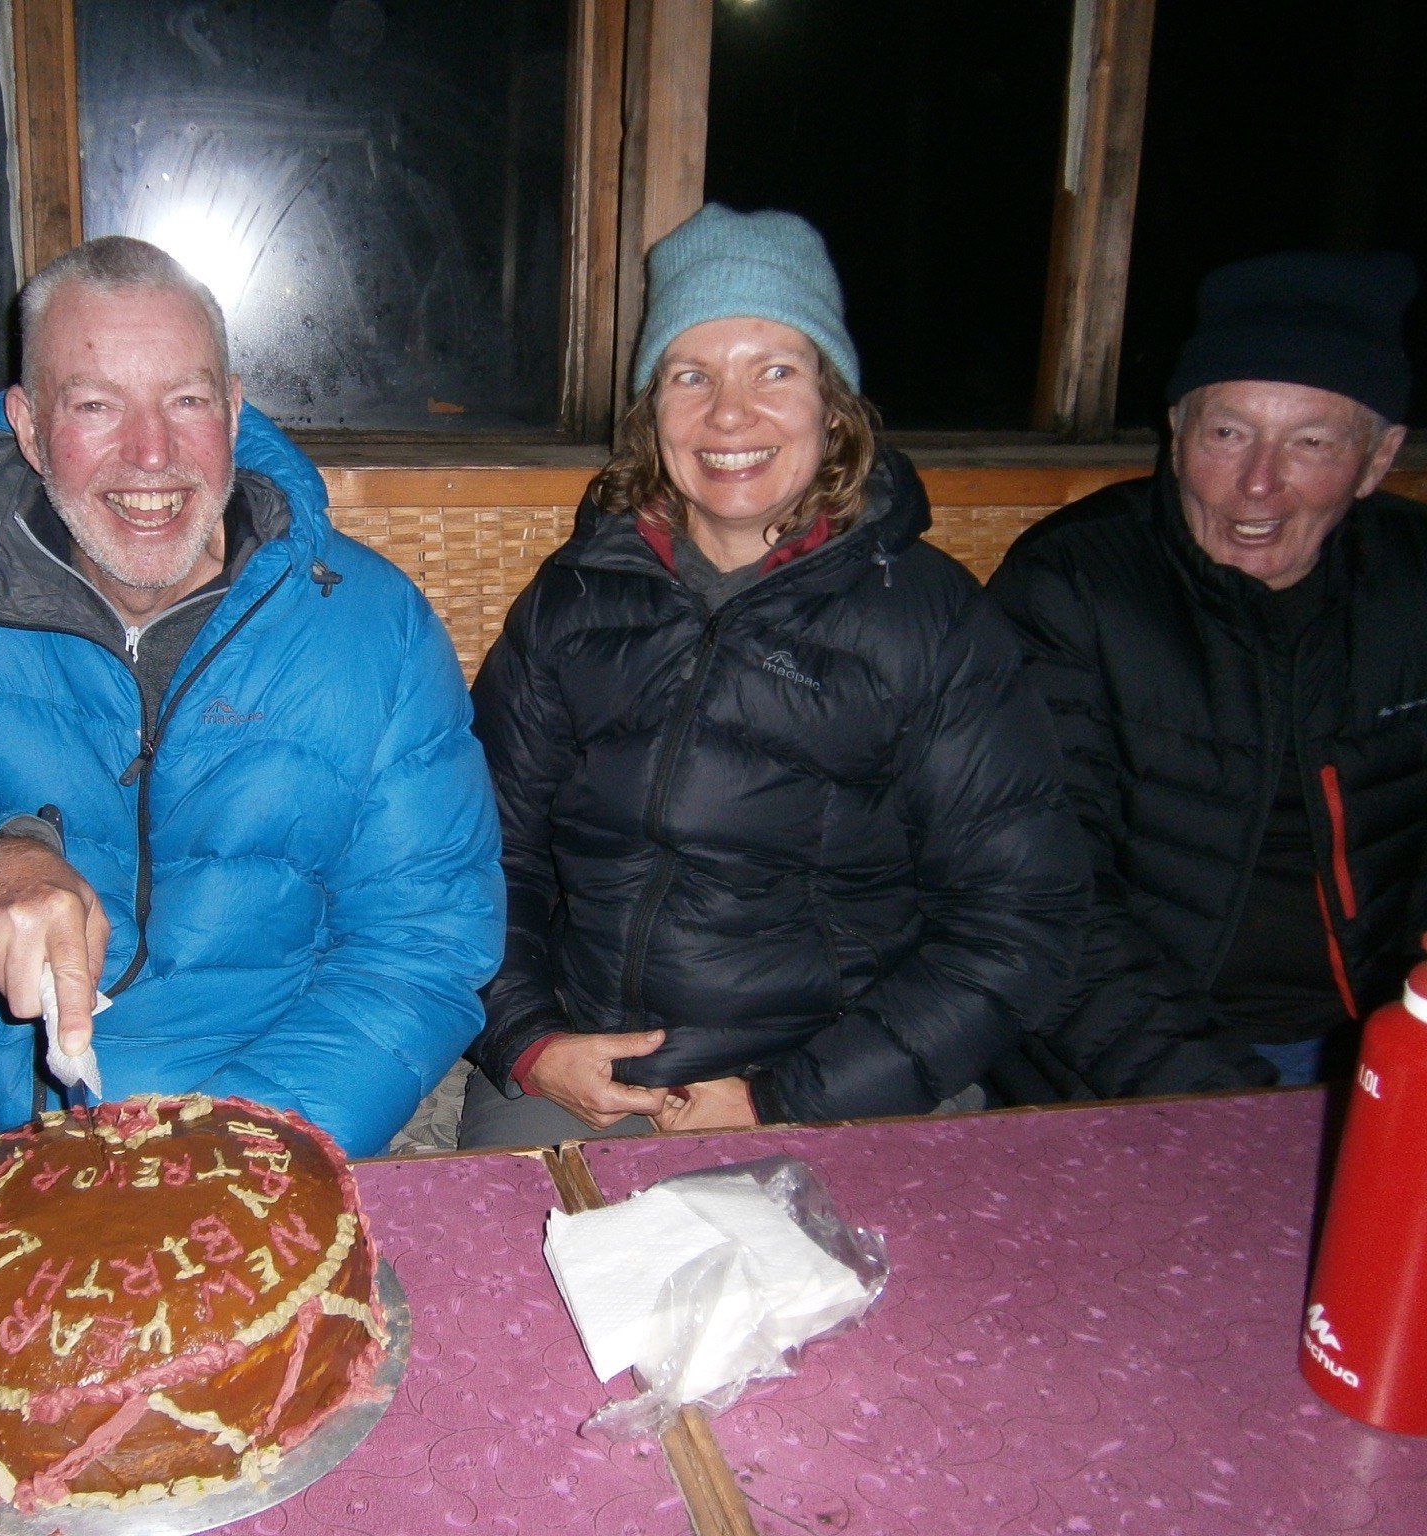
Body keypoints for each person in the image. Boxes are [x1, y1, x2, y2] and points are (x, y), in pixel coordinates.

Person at [0, 236, 501, 1180]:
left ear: (233, 413)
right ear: (29, 428)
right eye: (97, 405)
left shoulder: (371, 621)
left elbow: (425, 947)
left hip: (282, 1108)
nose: (151, 454)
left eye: (187, 401)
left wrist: (240, 1149)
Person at [461, 205, 1089, 1147]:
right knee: (515, 1279)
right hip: (583, 1068)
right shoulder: (576, 597)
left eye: (776, 372)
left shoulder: (930, 620)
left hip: (838, 1082)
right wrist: (528, 1038)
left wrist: (780, 1098)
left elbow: (1022, 921)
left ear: (832, 406)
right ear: (651, 410)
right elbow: (474, 850)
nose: (729, 415)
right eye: (692, 375)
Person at [985, 252, 1425, 1101]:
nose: (1257, 483)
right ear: (1178, 433)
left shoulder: (1413, 584)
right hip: (1133, 1064)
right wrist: (1231, 1101)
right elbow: (1051, 900)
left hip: (1385, 1039)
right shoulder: (1076, 587)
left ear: (1377, 460)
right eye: (1227, 433)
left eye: (1311, 442)